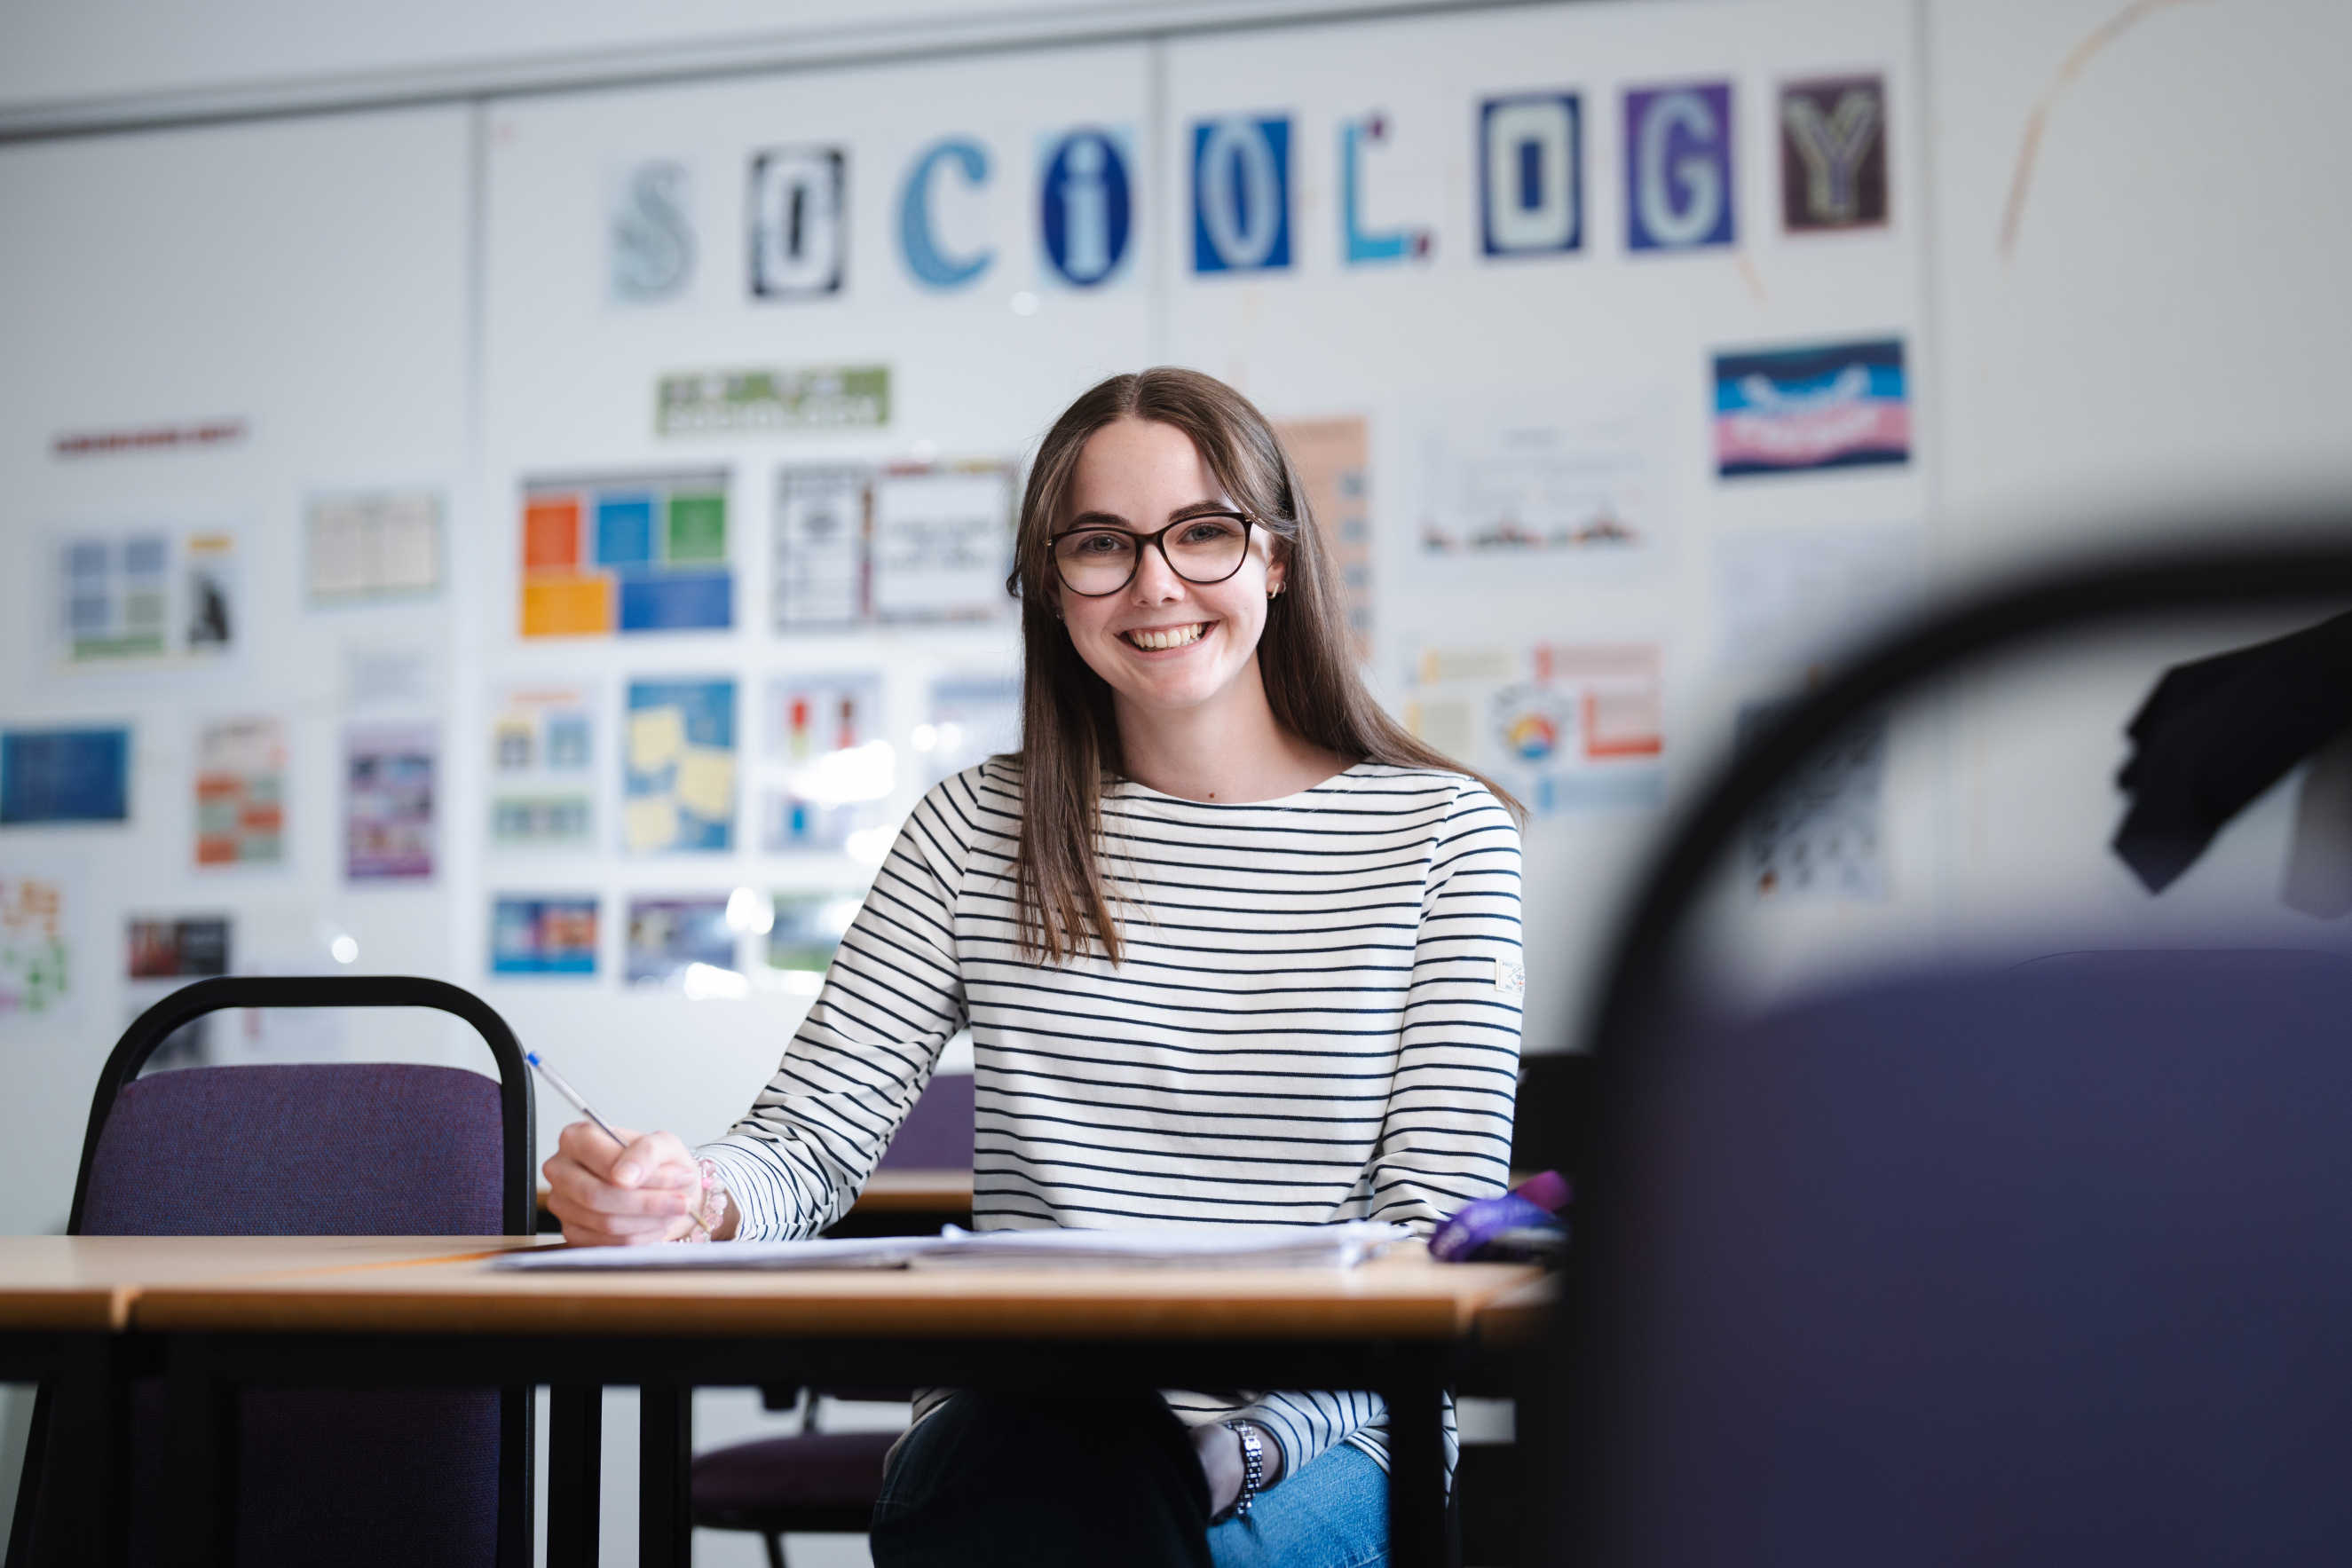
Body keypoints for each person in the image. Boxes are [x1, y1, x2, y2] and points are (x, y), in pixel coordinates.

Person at [542, 367, 1526, 1567]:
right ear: (1051, 587)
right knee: (1064, 1477)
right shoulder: (973, 830)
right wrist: (681, 1195)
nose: (1155, 582)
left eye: (1202, 533)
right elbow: (807, 1142)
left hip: (1324, 1447)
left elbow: (1433, 1244)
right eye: (1101, 545)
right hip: (1019, 1429)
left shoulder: (1439, 837)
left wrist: (1245, 1450)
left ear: (1273, 557)